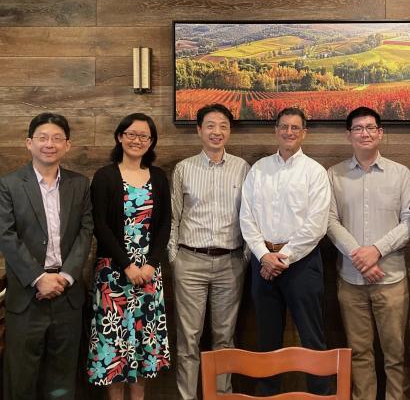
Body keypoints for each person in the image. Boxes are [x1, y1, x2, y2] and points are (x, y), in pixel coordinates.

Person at [0, 112, 93, 400]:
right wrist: (39, 278)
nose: (49, 144)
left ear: (67, 145)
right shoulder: (10, 184)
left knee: (62, 379)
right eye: (42, 138)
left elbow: (86, 231)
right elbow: (6, 235)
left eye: (56, 138)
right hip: (26, 298)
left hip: (68, 296)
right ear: (29, 143)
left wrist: (64, 277)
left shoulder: (79, 184)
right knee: (20, 379)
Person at [239, 107, 331, 396]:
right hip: (262, 262)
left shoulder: (314, 172)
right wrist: (264, 256)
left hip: (303, 264)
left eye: (295, 127)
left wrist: (284, 257)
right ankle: (268, 394)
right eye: (284, 127)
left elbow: (317, 224)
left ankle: (321, 394)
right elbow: (246, 216)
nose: (289, 132)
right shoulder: (259, 169)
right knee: (266, 338)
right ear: (275, 130)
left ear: (304, 132)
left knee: (312, 337)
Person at [327, 107, 410, 400]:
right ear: (348, 135)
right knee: (359, 353)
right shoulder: (334, 175)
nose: (365, 133)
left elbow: (409, 221)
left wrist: (376, 251)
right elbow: (329, 221)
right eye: (358, 128)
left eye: (371, 127)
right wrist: (359, 257)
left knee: (395, 355)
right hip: (350, 282)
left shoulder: (401, 175)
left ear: (380, 133)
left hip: (391, 281)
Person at [168, 103, 250, 400]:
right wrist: (175, 258)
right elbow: (174, 218)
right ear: (199, 130)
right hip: (190, 261)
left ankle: (221, 395)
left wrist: (244, 257)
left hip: (230, 262)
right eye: (211, 126)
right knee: (188, 339)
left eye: (224, 126)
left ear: (229, 131)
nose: (217, 132)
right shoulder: (184, 168)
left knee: (224, 338)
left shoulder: (242, 167)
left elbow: (250, 216)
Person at [86, 113, 171, 400]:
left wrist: (149, 265)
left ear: (151, 141)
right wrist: (128, 265)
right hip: (113, 275)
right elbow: (100, 225)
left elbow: (165, 226)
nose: (137, 140)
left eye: (144, 136)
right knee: (115, 349)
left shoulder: (158, 177)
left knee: (144, 349)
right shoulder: (105, 176)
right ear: (120, 137)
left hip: (149, 274)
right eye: (131, 134)